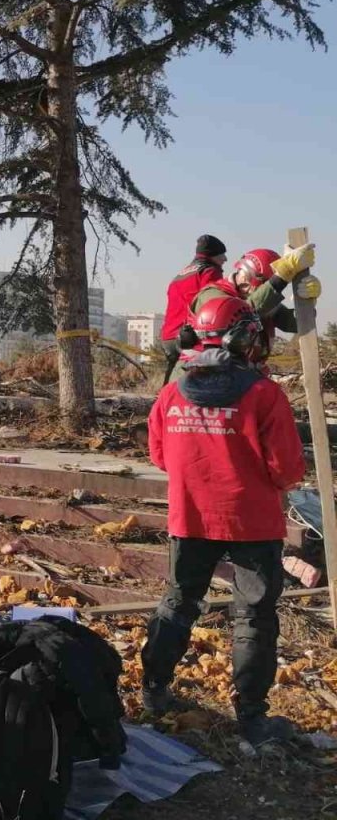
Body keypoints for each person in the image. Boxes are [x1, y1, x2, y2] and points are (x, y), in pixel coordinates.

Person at [142, 294, 305, 749]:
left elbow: (159, 456)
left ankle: (153, 691)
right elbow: (288, 471)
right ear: (241, 338)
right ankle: (251, 717)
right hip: (252, 523)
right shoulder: (264, 396)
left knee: (178, 602)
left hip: (189, 517)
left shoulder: (171, 393)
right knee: (253, 616)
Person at [187, 243, 321, 362]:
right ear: (247, 275)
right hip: (203, 377)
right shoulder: (212, 296)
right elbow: (242, 313)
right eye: (265, 283)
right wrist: (283, 275)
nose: (265, 288)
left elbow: (292, 324)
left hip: (245, 373)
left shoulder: (258, 300)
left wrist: (307, 303)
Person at [160, 235, 227, 383]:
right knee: (194, 386)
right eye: (222, 254)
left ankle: (162, 405)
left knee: (171, 386)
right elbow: (215, 304)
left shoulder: (180, 275)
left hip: (168, 337)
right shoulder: (209, 271)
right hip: (189, 338)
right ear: (212, 255)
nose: (225, 259)